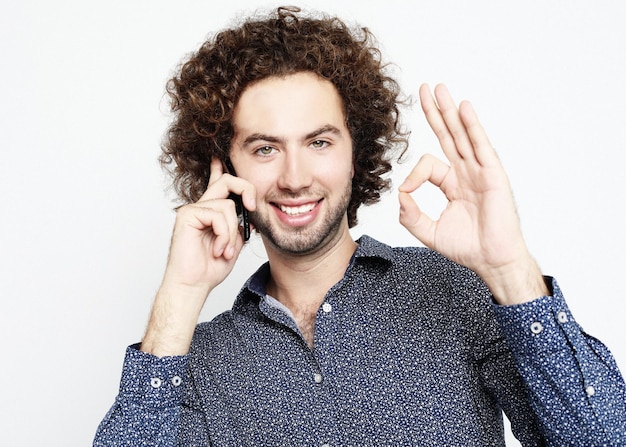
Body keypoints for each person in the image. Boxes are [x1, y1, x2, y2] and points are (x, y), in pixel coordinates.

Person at [94, 6, 626, 446]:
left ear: (356, 152)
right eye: (264, 148)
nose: (295, 176)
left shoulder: (455, 293)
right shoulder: (196, 364)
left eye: (319, 142)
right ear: (227, 168)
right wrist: (180, 297)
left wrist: (511, 272)